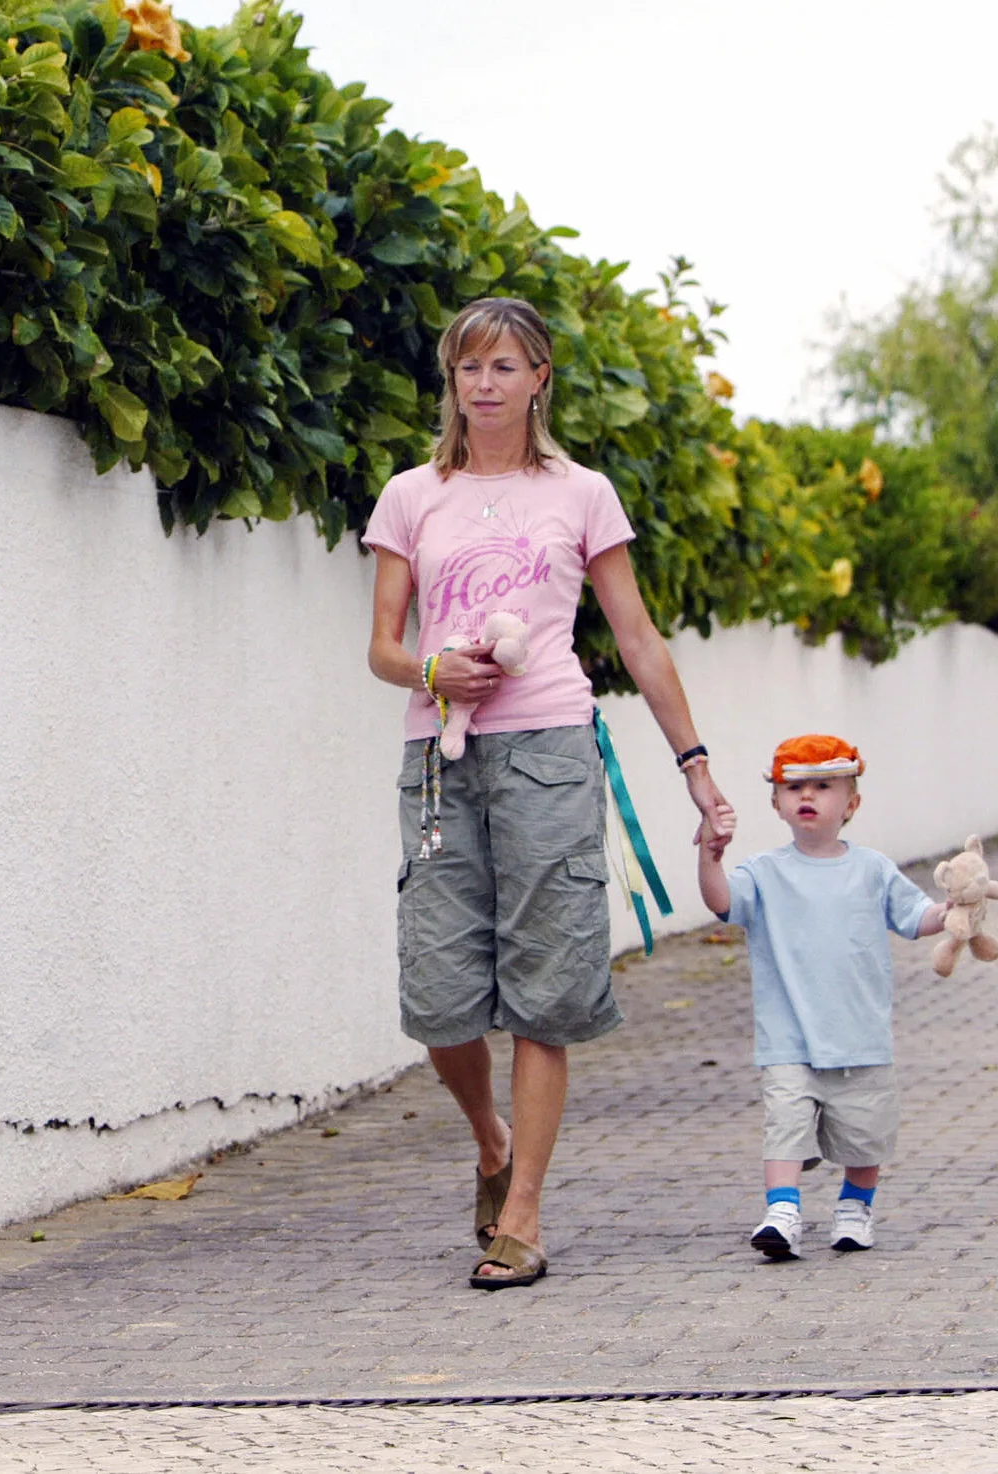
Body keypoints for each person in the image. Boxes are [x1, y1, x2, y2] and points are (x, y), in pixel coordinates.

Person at [363, 296, 732, 1290]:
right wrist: (431, 671)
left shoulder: (582, 493)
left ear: (539, 379)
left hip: (551, 754)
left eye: (502, 366)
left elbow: (639, 637)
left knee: (544, 989)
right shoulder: (409, 496)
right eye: (465, 367)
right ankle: (487, 1141)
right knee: (440, 1000)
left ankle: (520, 1212)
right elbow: (382, 648)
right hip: (441, 761)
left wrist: (693, 766)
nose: (482, 383)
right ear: (450, 382)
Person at [698, 735, 947, 1258]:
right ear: (777, 803)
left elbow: (917, 918)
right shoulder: (763, 871)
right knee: (784, 1124)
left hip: (860, 1036)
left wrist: (953, 912)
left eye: (823, 786)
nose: (806, 795)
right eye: (794, 787)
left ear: (851, 803)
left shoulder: (874, 869)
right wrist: (710, 857)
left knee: (865, 1134)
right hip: (787, 1036)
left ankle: (855, 1207)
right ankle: (782, 1210)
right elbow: (723, 903)